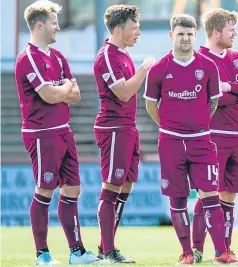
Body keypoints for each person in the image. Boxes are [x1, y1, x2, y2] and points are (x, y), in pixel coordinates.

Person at [144, 13, 238, 265]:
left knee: (210, 194)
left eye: (189, 34)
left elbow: (214, 101)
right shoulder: (158, 69)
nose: (185, 39)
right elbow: (151, 105)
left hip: (201, 140)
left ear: (195, 35)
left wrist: (197, 123)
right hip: (170, 142)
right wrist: (169, 125)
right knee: (177, 199)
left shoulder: (208, 66)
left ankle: (221, 252)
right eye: (180, 34)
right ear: (171, 36)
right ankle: (187, 253)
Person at [14, 0, 104, 265]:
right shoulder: (27, 57)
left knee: (73, 188)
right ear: (39, 25)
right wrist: (63, 88)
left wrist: (62, 90)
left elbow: (76, 95)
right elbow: (50, 95)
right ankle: (42, 254)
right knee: (45, 190)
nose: (58, 27)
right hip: (41, 133)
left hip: (64, 131)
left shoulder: (58, 56)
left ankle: (76, 252)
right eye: (54, 22)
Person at [191, 8, 238, 263]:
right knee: (207, 194)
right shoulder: (198, 59)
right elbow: (207, 100)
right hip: (212, 136)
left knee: (229, 195)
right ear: (216, 32)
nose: (235, 34)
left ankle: (224, 251)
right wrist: (236, 96)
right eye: (231, 29)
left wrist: (229, 87)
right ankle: (196, 249)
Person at [93, 4, 155, 263]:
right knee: (112, 186)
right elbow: (124, 92)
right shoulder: (107, 55)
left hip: (127, 127)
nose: (138, 31)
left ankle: (104, 246)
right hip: (113, 127)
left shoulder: (123, 54)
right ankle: (108, 251)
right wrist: (145, 68)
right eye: (134, 26)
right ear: (118, 28)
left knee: (125, 185)